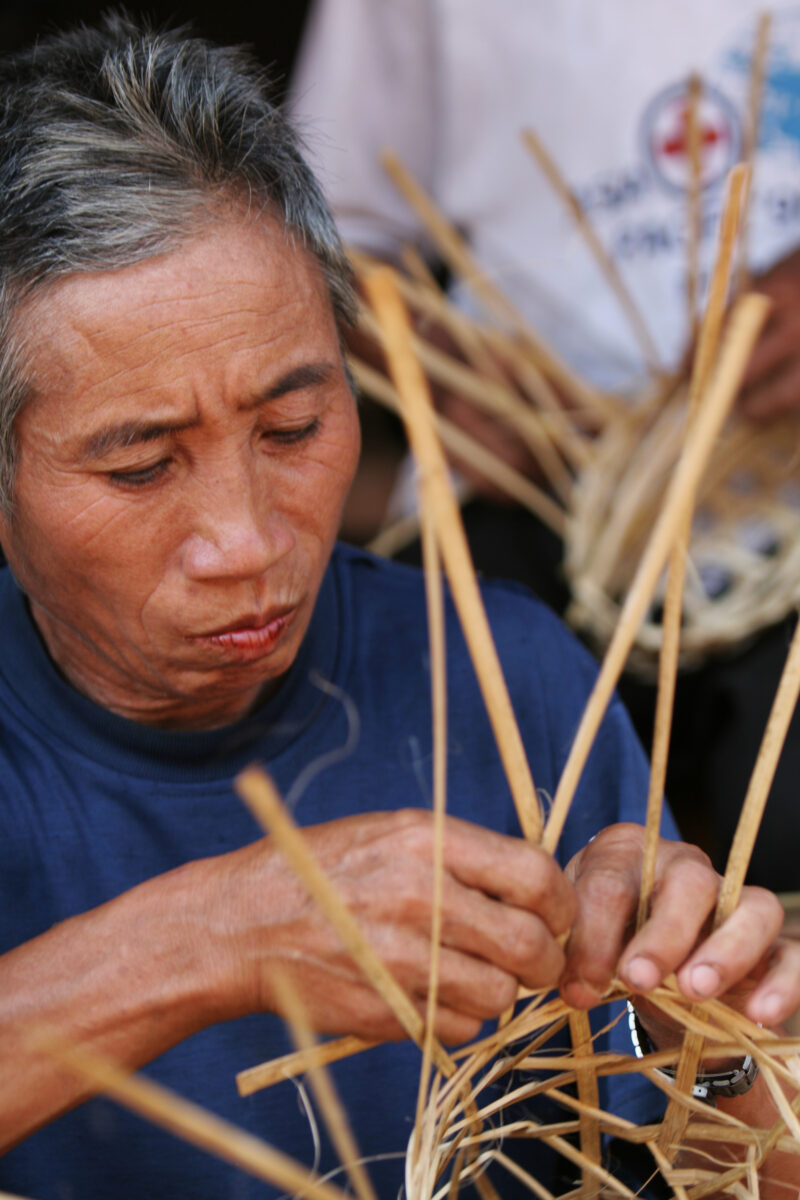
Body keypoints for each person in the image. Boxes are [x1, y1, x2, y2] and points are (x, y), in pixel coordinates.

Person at [0, 14, 797, 1200]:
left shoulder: (504, 675)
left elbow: (735, 1165)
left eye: (293, 428)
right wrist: (209, 940)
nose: (251, 540)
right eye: (139, 466)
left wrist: (720, 1043)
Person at [290, 0, 800, 888]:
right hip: (518, 494)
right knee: (489, 876)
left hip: (781, 513)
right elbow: (320, 236)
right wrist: (440, 371)